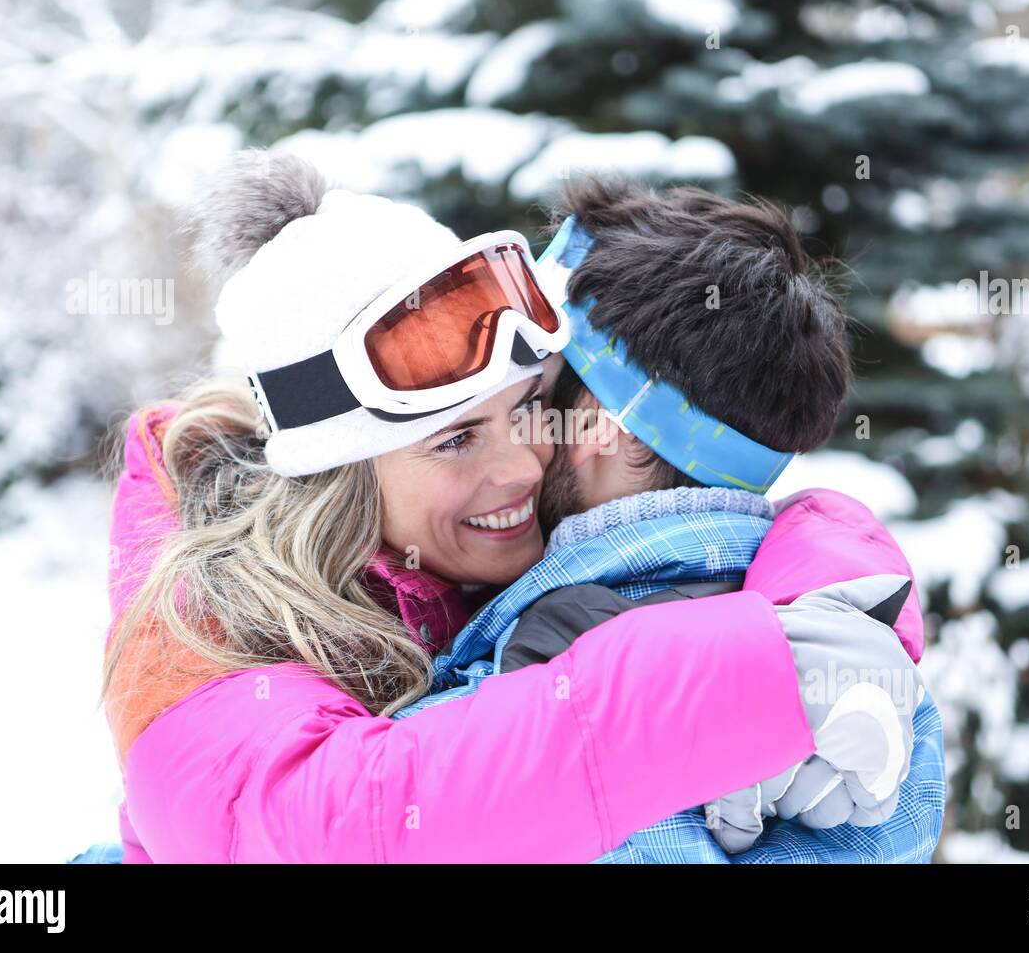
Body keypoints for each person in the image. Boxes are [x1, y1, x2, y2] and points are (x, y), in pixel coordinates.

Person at [98, 151, 876, 862]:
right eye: (455, 440)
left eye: (530, 407)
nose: (521, 466)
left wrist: (837, 614)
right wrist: (738, 684)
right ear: (337, 480)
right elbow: (327, 828)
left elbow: (714, 538)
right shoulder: (202, 625)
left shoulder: (474, 559)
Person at [396, 177, 946, 861]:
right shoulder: (853, 675)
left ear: (600, 427)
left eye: (532, 401)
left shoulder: (555, 664)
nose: (512, 448)